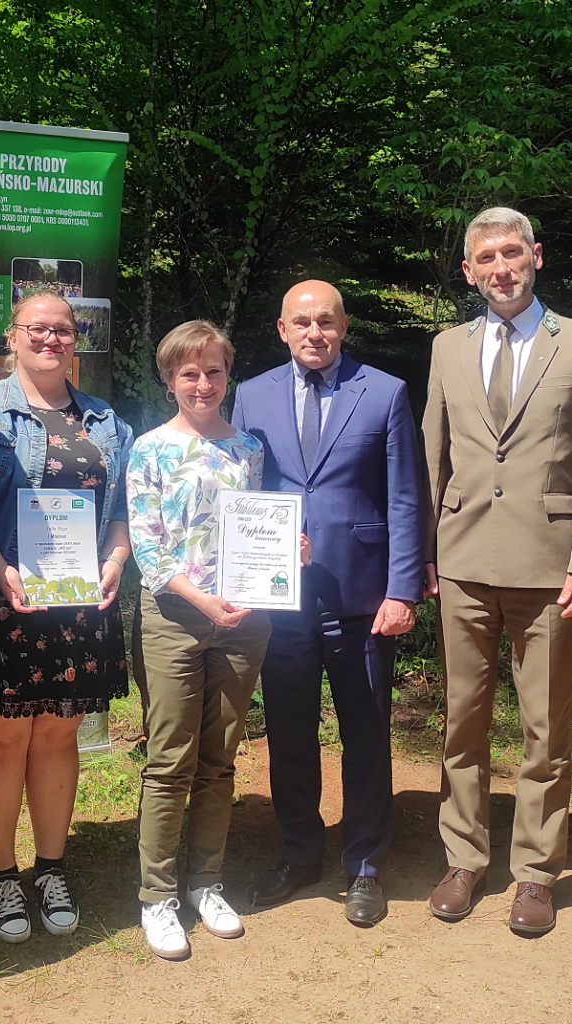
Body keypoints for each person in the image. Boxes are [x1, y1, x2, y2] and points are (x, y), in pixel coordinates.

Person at [232, 281, 424, 925]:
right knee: (288, 730)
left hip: (364, 595)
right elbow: (241, 490)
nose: (314, 333)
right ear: (282, 330)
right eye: (301, 323)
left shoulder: (385, 391)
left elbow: (404, 497)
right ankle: (299, 852)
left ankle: (365, 863)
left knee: (365, 731)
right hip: (281, 597)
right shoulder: (252, 394)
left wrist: (402, 588)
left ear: (343, 326)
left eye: (326, 322)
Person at [0, 289, 132, 943]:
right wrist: (1, 569)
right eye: (38, 329)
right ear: (12, 336)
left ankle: (50, 868)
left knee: (57, 739)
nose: (51, 339)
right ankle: (2, 875)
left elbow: (121, 513)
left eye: (63, 330)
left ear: (75, 339)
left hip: (78, 607)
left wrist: (115, 560)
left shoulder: (108, 421)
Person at [422, 207, 572, 937]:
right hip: (463, 561)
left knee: (546, 729)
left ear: (536, 256)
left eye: (514, 252)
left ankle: (537, 872)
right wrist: (424, 550)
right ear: (469, 269)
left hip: (551, 565)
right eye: (488, 257)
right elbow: (434, 451)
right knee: (462, 721)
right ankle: (465, 857)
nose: (502, 267)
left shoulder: (570, 341)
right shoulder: (447, 347)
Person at [127, 320, 272, 960]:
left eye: (213, 371)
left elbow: (257, 527)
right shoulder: (149, 449)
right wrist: (202, 598)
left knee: (219, 757)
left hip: (244, 620)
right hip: (174, 617)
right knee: (170, 758)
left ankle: (205, 882)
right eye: (190, 372)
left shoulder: (249, 449)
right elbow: (148, 548)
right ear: (170, 380)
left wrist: (285, 552)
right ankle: (157, 895)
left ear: (226, 375)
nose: (203, 383)